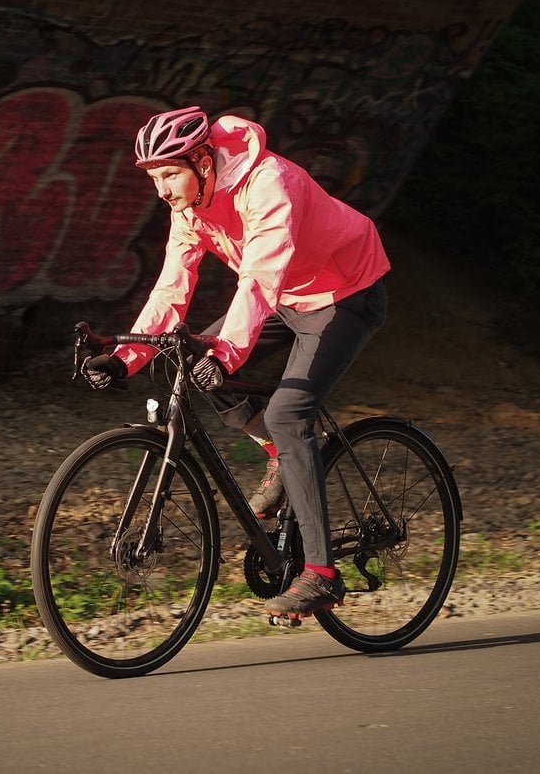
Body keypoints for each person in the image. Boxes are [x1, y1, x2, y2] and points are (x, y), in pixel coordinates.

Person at [81, 106, 390, 620]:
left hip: (346, 291)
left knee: (288, 412)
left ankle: (321, 575)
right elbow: (171, 288)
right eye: (155, 178)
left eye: (170, 175)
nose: (162, 190)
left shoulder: (269, 182)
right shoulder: (190, 206)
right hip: (287, 296)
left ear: (204, 160)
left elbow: (259, 277)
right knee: (193, 358)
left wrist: (227, 353)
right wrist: (124, 359)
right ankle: (277, 454)